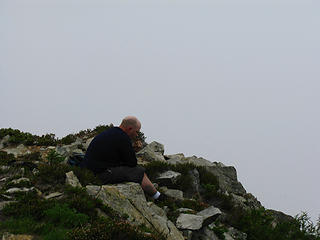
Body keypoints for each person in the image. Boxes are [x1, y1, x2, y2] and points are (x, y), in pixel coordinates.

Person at [81, 116, 162, 200]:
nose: (137, 135)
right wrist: (134, 150)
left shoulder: (110, 132)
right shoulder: (123, 137)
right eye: (136, 132)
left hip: (87, 172)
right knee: (139, 171)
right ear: (130, 129)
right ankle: (157, 196)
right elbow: (132, 163)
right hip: (100, 175)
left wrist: (131, 149)